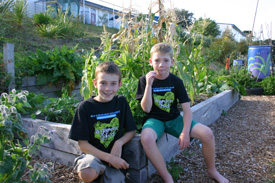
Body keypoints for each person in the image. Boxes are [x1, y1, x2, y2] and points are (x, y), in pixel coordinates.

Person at [136, 43, 229, 183]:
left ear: (172, 62)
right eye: (157, 60)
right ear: (151, 62)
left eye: (166, 60)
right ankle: (168, 178)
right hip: (154, 119)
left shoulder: (176, 81)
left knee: (207, 133)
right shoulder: (144, 80)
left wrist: (185, 132)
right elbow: (146, 109)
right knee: (147, 138)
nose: (161, 64)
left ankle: (212, 171)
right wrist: (149, 85)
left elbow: (186, 109)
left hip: (174, 119)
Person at [69, 61, 137, 183]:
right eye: (103, 83)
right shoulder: (85, 107)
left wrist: (119, 142)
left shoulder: (121, 102)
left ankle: (103, 176)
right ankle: (96, 174)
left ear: (119, 85)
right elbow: (83, 144)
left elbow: (131, 131)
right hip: (93, 156)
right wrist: (110, 158)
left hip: (114, 160)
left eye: (113, 84)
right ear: (95, 83)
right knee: (87, 173)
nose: (108, 88)